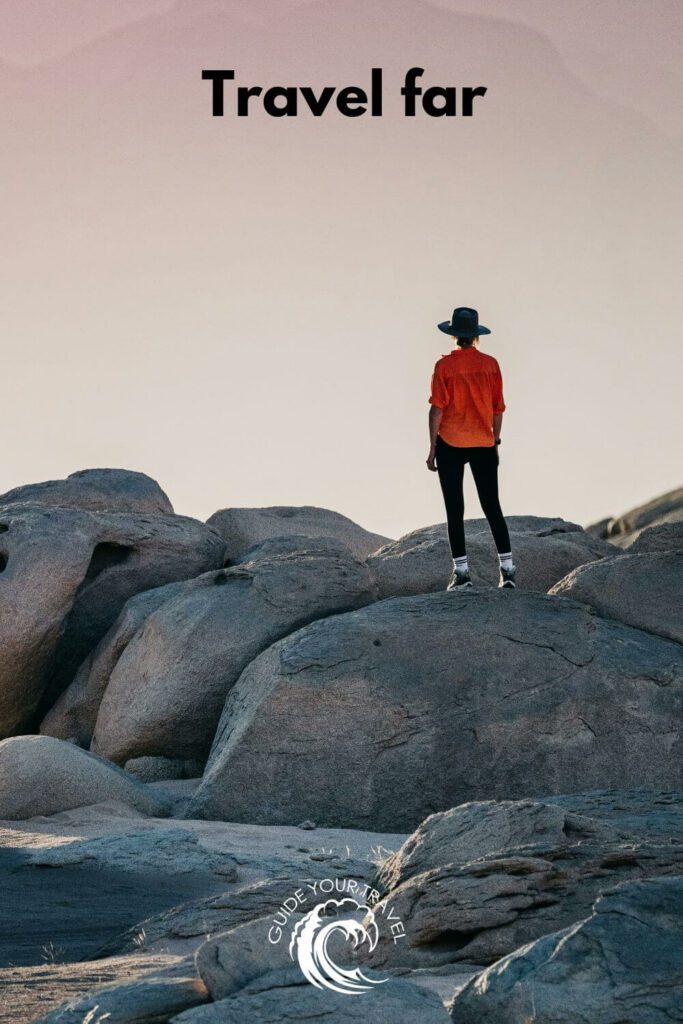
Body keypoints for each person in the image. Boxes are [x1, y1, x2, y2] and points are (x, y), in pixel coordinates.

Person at [426, 306, 516, 590]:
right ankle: (508, 569)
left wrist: (431, 448)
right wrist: (495, 440)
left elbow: (436, 411)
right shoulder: (491, 365)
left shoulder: (444, 367)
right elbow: (498, 410)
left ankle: (462, 573)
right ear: (476, 336)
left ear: (454, 335)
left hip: (450, 443)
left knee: (455, 508)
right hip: (483, 442)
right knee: (492, 506)